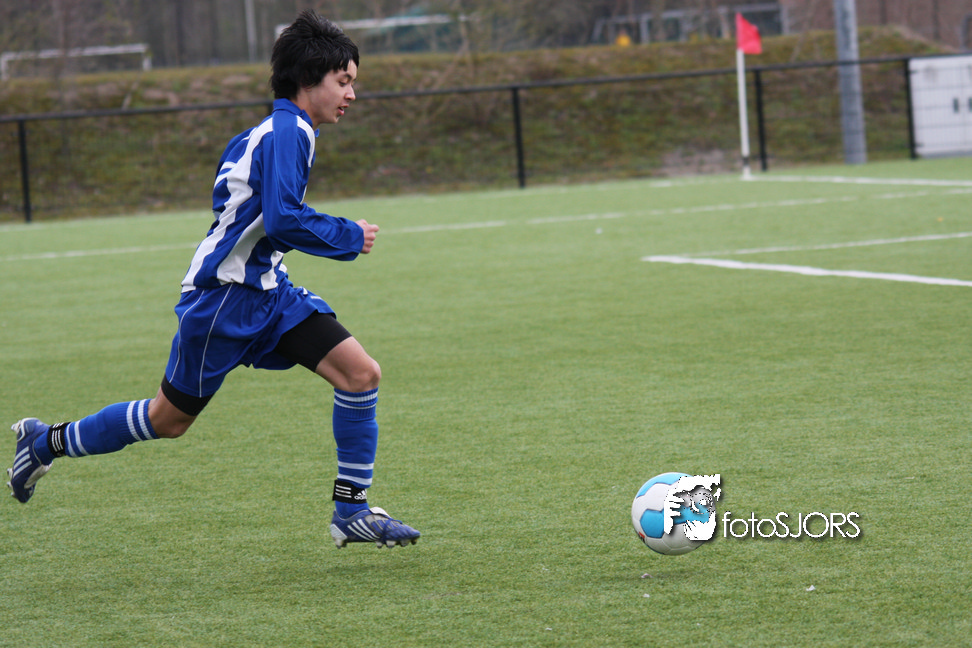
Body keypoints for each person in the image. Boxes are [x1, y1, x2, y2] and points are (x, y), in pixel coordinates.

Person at [6, 11, 420, 549]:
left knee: (360, 374)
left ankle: (351, 511)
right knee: (168, 419)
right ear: (307, 78)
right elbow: (283, 219)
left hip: (268, 293)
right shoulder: (289, 132)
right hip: (223, 301)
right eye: (343, 81)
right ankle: (45, 442)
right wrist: (348, 234)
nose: (351, 94)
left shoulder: (279, 132)